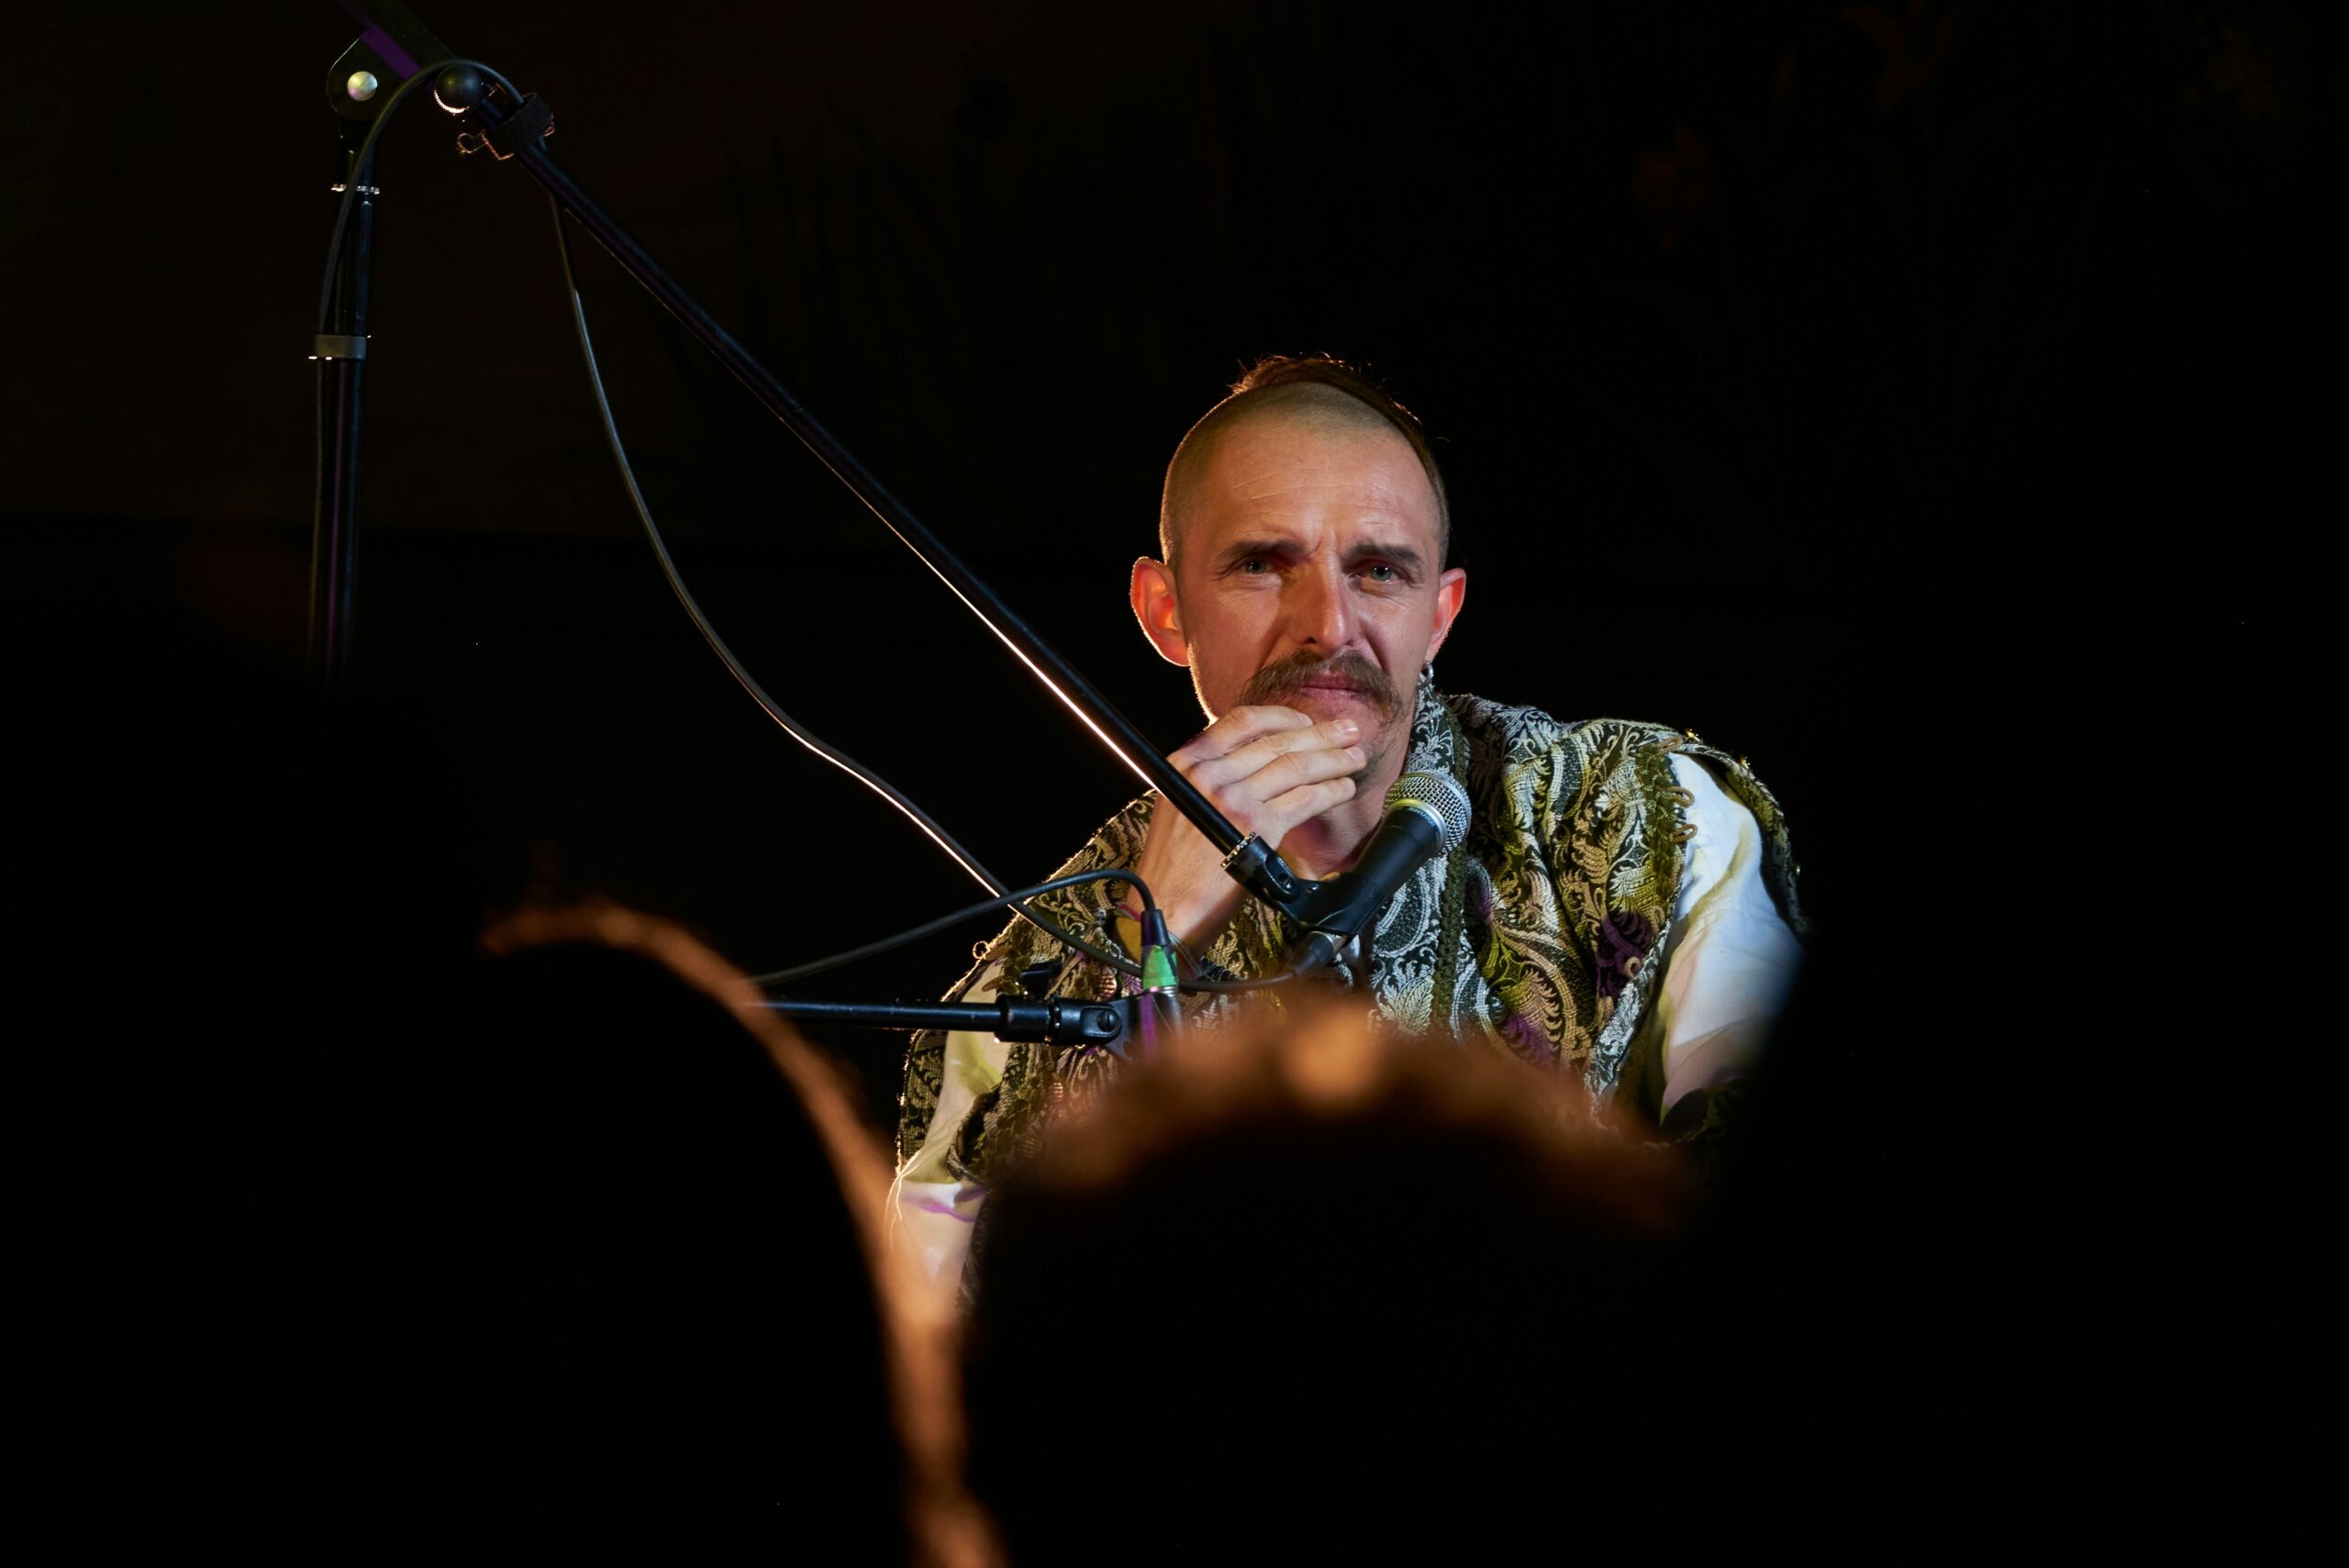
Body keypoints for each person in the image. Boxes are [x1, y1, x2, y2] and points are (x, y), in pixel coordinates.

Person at [894, 353, 1804, 1301]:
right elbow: (951, 1338)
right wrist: (1134, 954)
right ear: (1164, 610)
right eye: (1260, 564)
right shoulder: (1038, 960)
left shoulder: (1643, 819)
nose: (1327, 622)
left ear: (1439, 614)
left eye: (1377, 570)